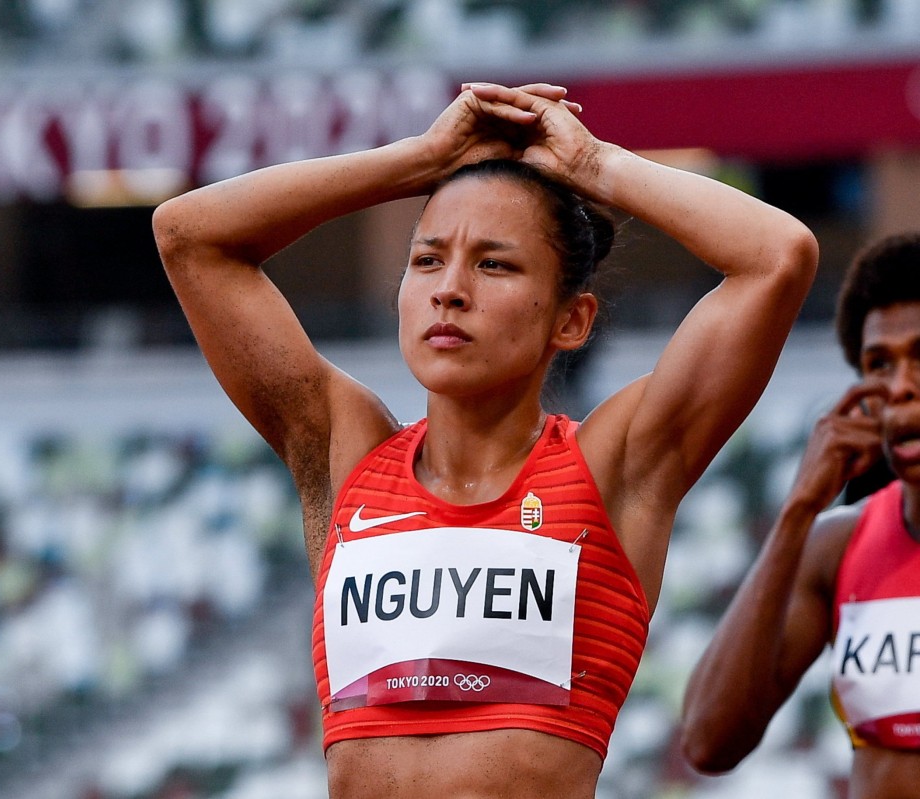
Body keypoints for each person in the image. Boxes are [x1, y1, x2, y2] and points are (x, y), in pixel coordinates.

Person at [153, 81, 818, 799]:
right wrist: (418, 159)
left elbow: (776, 255)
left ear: (572, 320)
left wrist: (594, 165)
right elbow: (188, 235)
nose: (449, 289)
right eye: (427, 259)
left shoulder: (617, 465)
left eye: (493, 263)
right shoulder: (343, 452)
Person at [680, 233, 920, 796]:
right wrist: (798, 511)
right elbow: (709, 741)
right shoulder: (839, 546)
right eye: (879, 364)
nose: (901, 387)